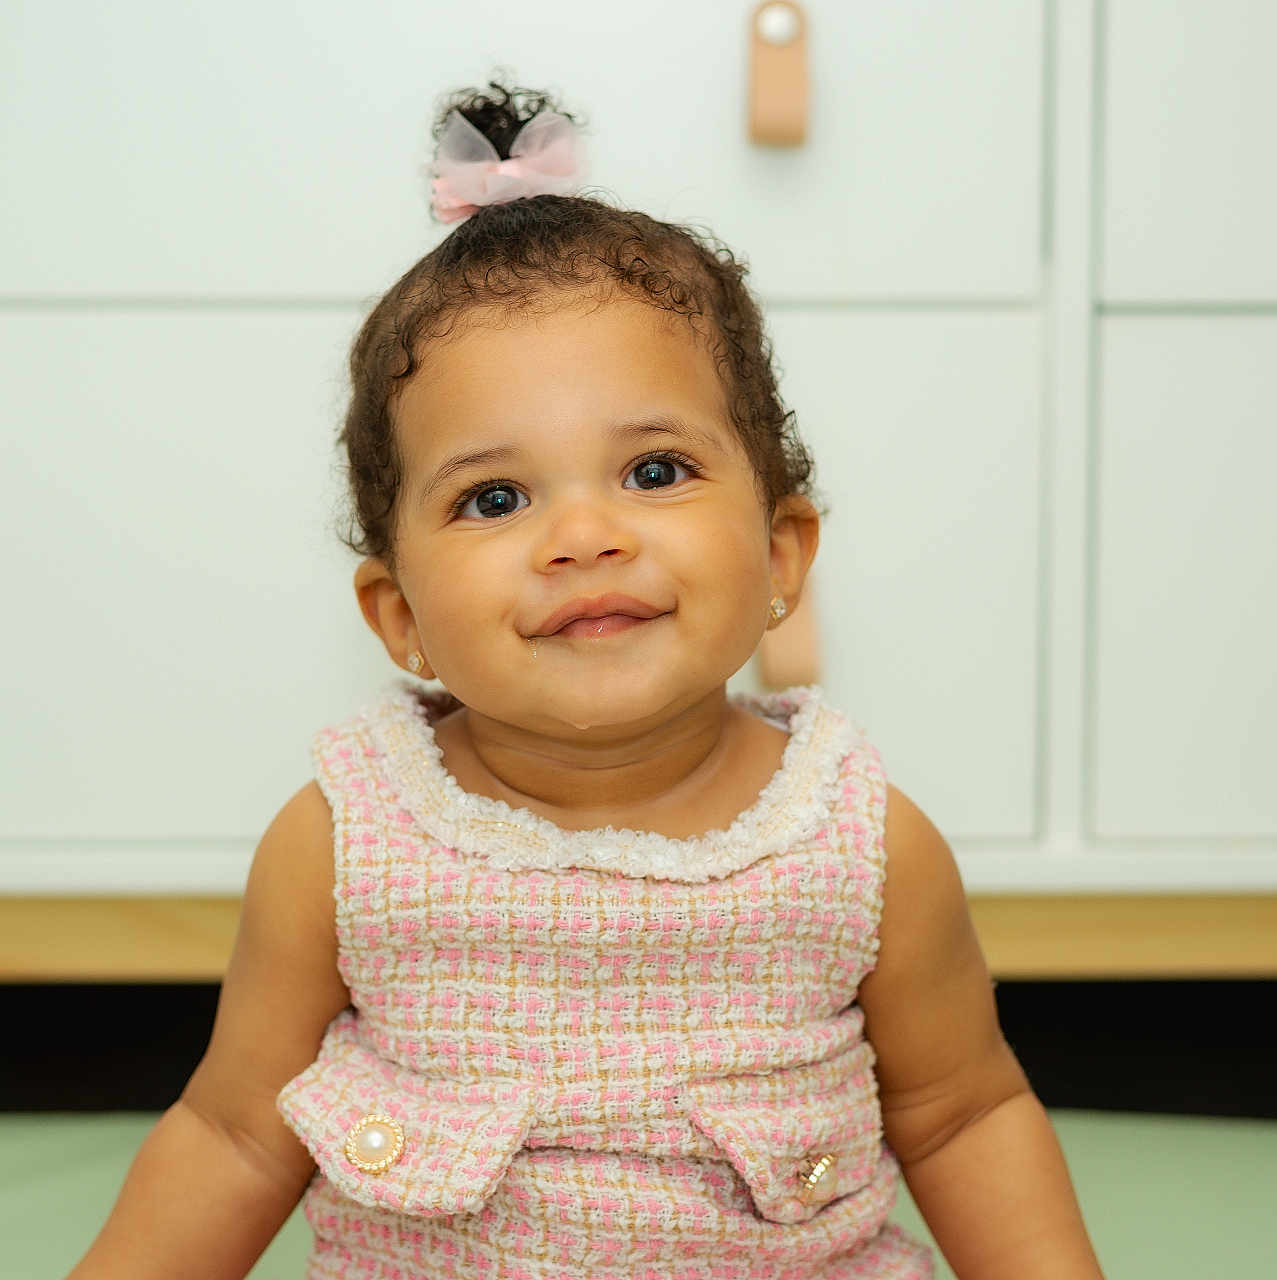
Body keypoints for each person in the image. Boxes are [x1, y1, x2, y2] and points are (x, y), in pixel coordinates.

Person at [68, 81, 1104, 1280]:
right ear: (400, 618)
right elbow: (236, 1132)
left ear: (779, 554)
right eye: (494, 498)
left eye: (653, 470)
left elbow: (961, 1113)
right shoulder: (346, 840)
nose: (582, 536)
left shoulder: (858, 842)